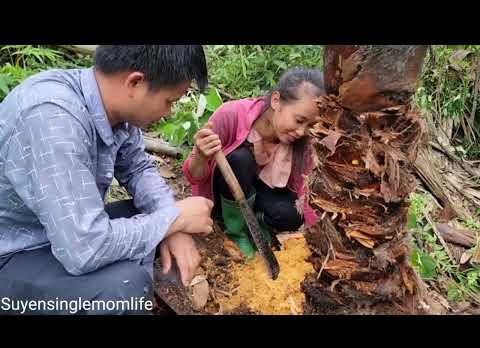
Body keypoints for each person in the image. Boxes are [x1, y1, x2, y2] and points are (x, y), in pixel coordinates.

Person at [0, 45, 213, 314]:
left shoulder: (112, 108)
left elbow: (138, 169)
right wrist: (171, 220)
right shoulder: (53, 119)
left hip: (61, 234)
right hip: (15, 251)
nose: (169, 112)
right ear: (135, 82)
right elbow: (84, 249)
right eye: (169, 101)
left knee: (157, 212)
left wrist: (172, 221)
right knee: (124, 289)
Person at [183, 67, 324, 260]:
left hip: (255, 194)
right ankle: (236, 229)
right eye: (299, 120)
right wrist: (200, 156)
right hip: (224, 191)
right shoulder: (231, 114)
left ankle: (255, 224)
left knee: (292, 214)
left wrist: (319, 237)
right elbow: (194, 176)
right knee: (240, 160)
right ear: (276, 100)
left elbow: (305, 193)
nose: (302, 132)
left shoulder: (304, 144)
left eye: (310, 126)